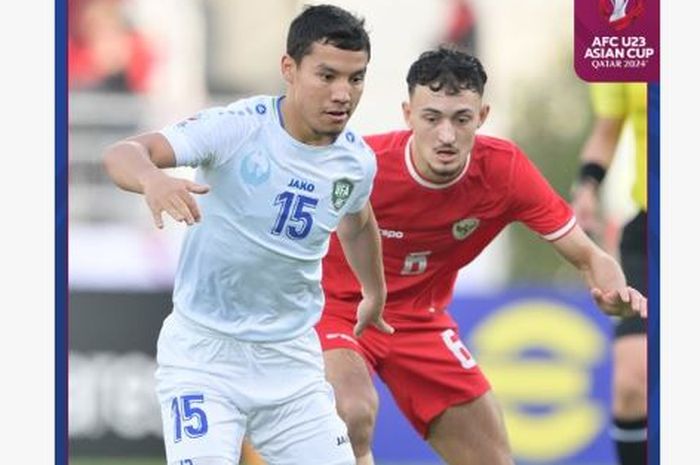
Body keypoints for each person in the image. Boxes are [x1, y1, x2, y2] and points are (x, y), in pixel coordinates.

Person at [315, 47, 647, 465]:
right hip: (337, 310)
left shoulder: (505, 172)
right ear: (407, 114)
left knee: (493, 458)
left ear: (483, 117)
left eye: (462, 119)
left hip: (420, 321)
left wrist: (613, 290)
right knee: (352, 410)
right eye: (432, 118)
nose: (447, 136)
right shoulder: (359, 165)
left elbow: (587, 255)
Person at [102, 5, 393, 465]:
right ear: (289, 69)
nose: (343, 94)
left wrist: (374, 291)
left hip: (291, 362)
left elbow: (356, 223)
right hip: (204, 358)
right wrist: (152, 179)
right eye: (328, 75)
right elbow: (124, 153)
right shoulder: (237, 128)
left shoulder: (356, 161)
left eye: (355, 79)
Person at [571, 82, 648, 465]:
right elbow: (607, 128)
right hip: (652, 232)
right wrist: (587, 189)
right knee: (633, 383)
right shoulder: (634, 33)